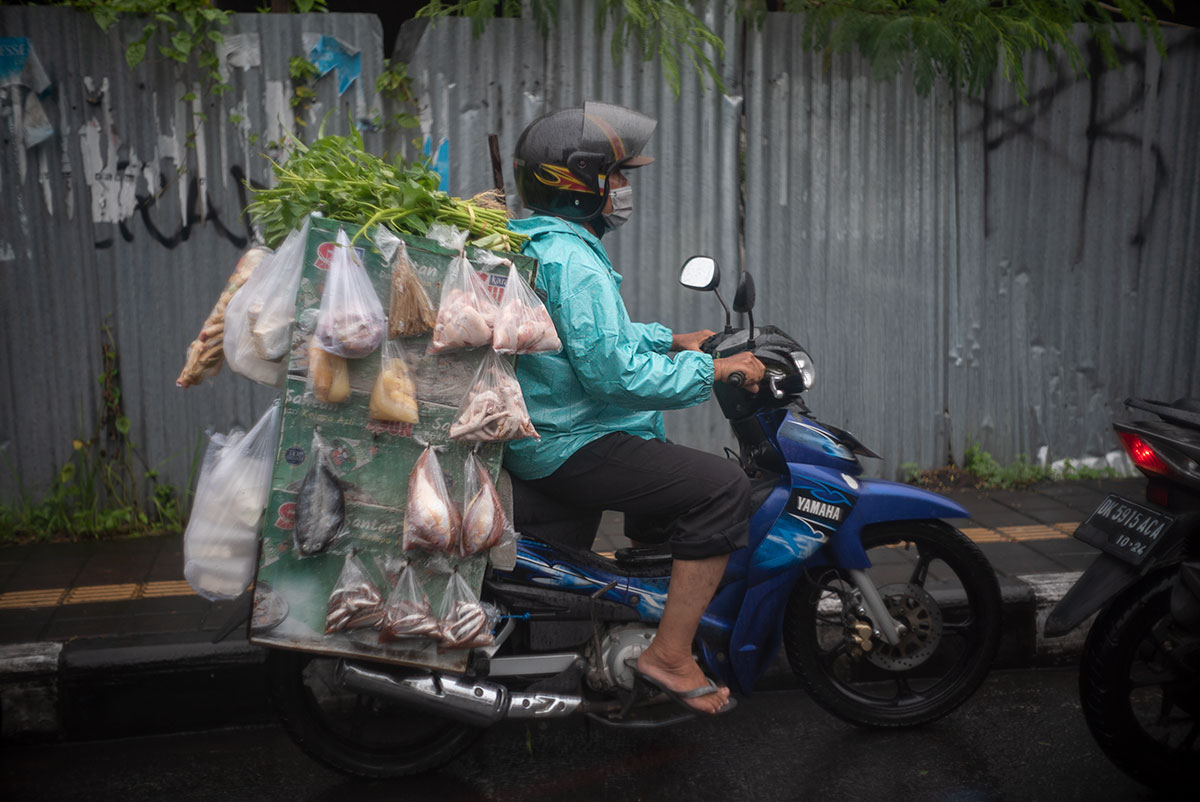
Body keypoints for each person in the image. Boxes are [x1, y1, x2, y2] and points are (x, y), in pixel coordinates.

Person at [504, 101, 766, 715]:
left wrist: (669, 339)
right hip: (571, 440)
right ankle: (668, 655)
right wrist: (714, 368)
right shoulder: (573, 260)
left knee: (667, 486)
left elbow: (580, 341)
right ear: (578, 184)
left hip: (551, 431)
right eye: (615, 177)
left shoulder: (543, 242)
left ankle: (641, 623)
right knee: (721, 487)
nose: (622, 190)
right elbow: (611, 375)